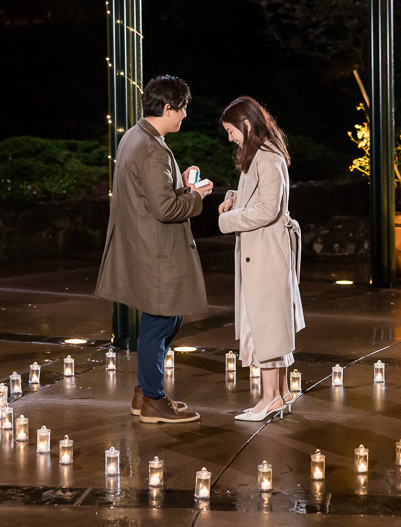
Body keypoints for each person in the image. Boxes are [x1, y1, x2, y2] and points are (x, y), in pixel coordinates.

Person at [95, 75, 213, 424]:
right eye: (183, 109)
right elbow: (165, 209)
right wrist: (196, 196)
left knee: (162, 319)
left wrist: (181, 181)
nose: (185, 116)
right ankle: (152, 399)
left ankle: (146, 392)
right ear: (168, 108)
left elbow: (151, 195)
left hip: (144, 247)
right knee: (160, 322)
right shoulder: (151, 148)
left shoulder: (135, 137)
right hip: (157, 251)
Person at [217, 96, 304, 422]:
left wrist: (227, 221)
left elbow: (268, 210)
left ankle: (269, 399)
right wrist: (234, 198)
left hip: (267, 252)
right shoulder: (265, 156)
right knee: (272, 322)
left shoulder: (266, 158)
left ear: (247, 124)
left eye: (231, 131)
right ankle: (280, 394)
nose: (230, 138)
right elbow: (262, 198)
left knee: (267, 324)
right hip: (267, 250)